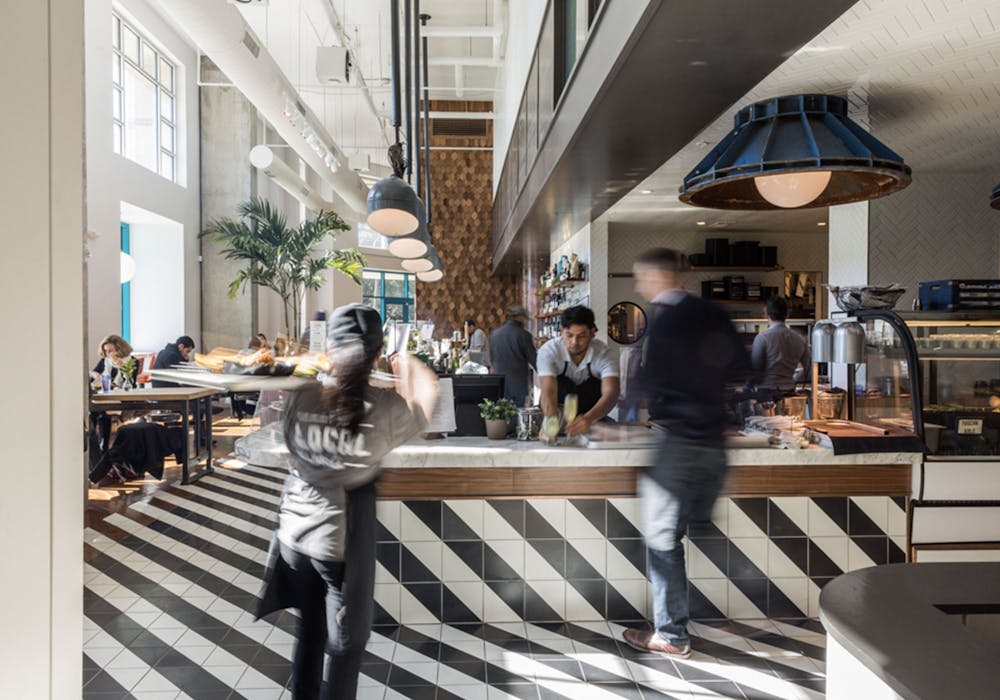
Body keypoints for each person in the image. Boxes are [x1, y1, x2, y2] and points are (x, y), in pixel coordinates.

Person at [257, 304, 439, 699]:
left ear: (331, 348)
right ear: (376, 353)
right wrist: (405, 359)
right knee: (346, 645)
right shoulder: (383, 410)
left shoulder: (301, 397)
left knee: (309, 631)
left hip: (293, 538)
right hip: (337, 545)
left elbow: (287, 445)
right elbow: (430, 395)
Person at [623, 248, 749, 658]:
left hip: (679, 442)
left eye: (641, 277)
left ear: (657, 275)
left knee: (663, 539)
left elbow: (647, 381)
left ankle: (672, 634)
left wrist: (622, 423)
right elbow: (743, 369)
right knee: (702, 530)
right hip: (715, 442)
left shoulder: (663, 324)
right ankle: (732, 612)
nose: (641, 285)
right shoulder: (714, 314)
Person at [537, 305, 620, 438]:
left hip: (594, 419)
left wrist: (589, 419)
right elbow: (548, 390)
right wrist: (550, 422)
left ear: (592, 333)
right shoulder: (549, 351)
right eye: (569, 335)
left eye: (581, 336)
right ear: (561, 331)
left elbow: (612, 393)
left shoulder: (604, 354)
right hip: (557, 416)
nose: (574, 342)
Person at [748, 296, 810, 396]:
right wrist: (792, 379)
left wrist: (747, 386)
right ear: (787, 314)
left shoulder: (762, 337)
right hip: (789, 391)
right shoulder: (799, 338)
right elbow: (808, 369)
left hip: (766, 392)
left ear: (767, 315)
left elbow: (755, 369)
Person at [489, 304, 537, 408]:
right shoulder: (524, 335)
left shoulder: (495, 334)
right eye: (524, 318)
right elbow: (535, 360)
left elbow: (492, 359)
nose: (525, 321)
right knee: (516, 417)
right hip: (518, 385)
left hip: (500, 383)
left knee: (502, 415)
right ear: (519, 317)